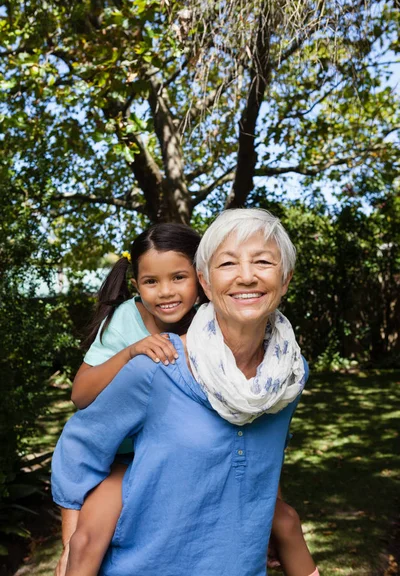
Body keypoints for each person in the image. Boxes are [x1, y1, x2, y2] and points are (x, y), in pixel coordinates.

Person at [53, 211, 318, 576]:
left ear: (285, 279)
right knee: (88, 538)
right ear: (208, 282)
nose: (246, 275)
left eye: (262, 262)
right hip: (122, 465)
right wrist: (71, 541)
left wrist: (269, 514)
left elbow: (263, 458)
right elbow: (81, 411)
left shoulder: (287, 374)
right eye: (228, 263)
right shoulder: (152, 354)